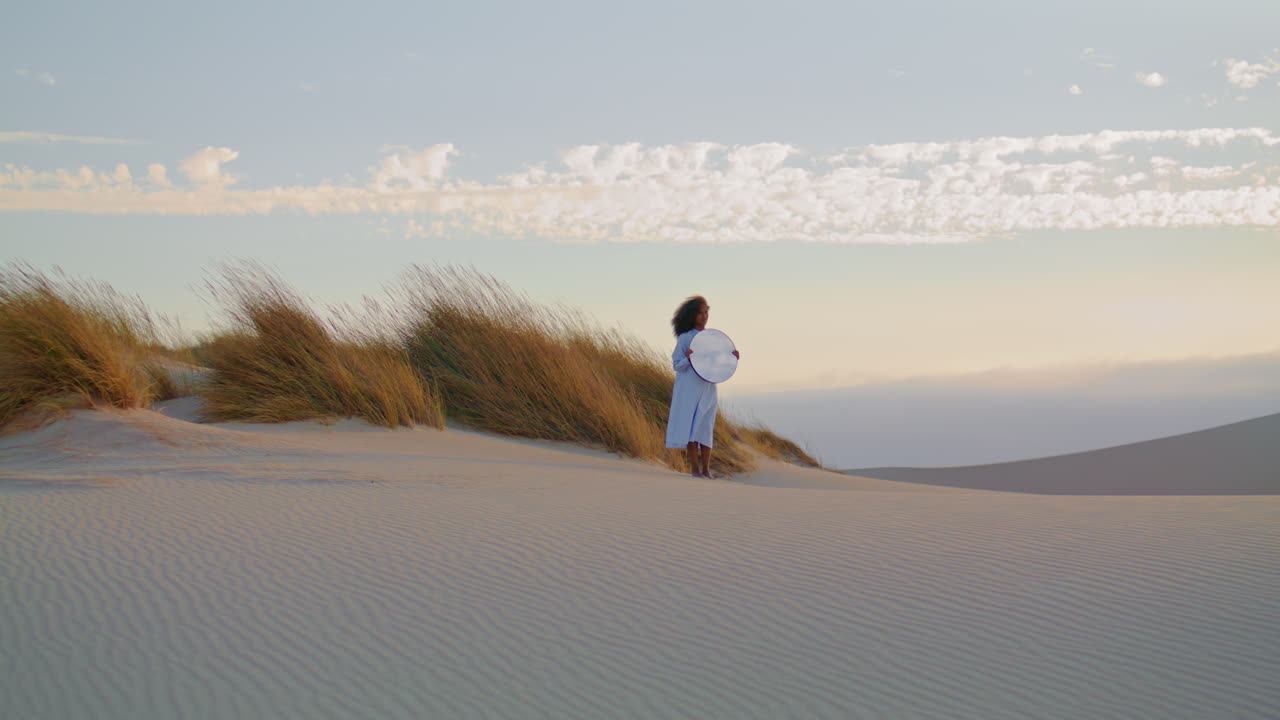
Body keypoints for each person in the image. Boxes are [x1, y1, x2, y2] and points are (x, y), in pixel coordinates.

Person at [665, 296, 738, 478]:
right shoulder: (685, 338)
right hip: (689, 387)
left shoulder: (712, 338)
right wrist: (688, 359)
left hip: (708, 386)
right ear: (693, 314)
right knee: (691, 425)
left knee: (705, 426)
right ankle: (695, 468)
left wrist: (731, 357)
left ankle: (706, 469)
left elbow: (717, 362)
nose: (704, 316)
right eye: (700, 312)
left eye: (706, 312)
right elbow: (676, 364)